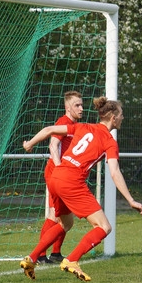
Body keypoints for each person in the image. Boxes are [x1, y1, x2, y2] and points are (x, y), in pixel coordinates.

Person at [19, 96, 142, 282]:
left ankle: (31, 258)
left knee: (65, 224)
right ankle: (72, 260)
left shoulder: (83, 126)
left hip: (56, 176)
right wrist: (131, 200)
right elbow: (115, 172)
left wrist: (29, 143)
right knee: (104, 226)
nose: (122, 118)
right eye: (121, 115)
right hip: (72, 181)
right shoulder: (109, 141)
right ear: (112, 118)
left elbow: (49, 129)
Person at [36, 91, 85, 264]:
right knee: (53, 215)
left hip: (65, 174)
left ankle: (56, 253)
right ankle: (40, 255)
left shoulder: (76, 125)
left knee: (65, 215)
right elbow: (53, 145)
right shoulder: (63, 122)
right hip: (54, 172)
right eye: (77, 105)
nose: (81, 108)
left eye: (81, 104)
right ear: (67, 107)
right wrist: (59, 169)